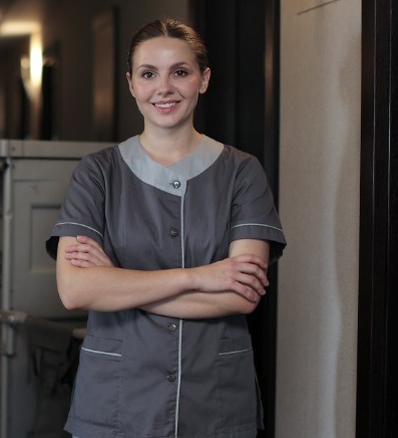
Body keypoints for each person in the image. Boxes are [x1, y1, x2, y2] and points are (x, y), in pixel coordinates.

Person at [45, 18, 286, 438]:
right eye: (148, 74)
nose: (164, 88)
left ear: (203, 79)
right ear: (131, 84)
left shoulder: (242, 172)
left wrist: (118, 284)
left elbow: (241, 295)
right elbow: (76, 290)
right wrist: (200, 277)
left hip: (213, 400)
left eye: (180, 72)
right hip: (118, 402)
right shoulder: (97, 174)